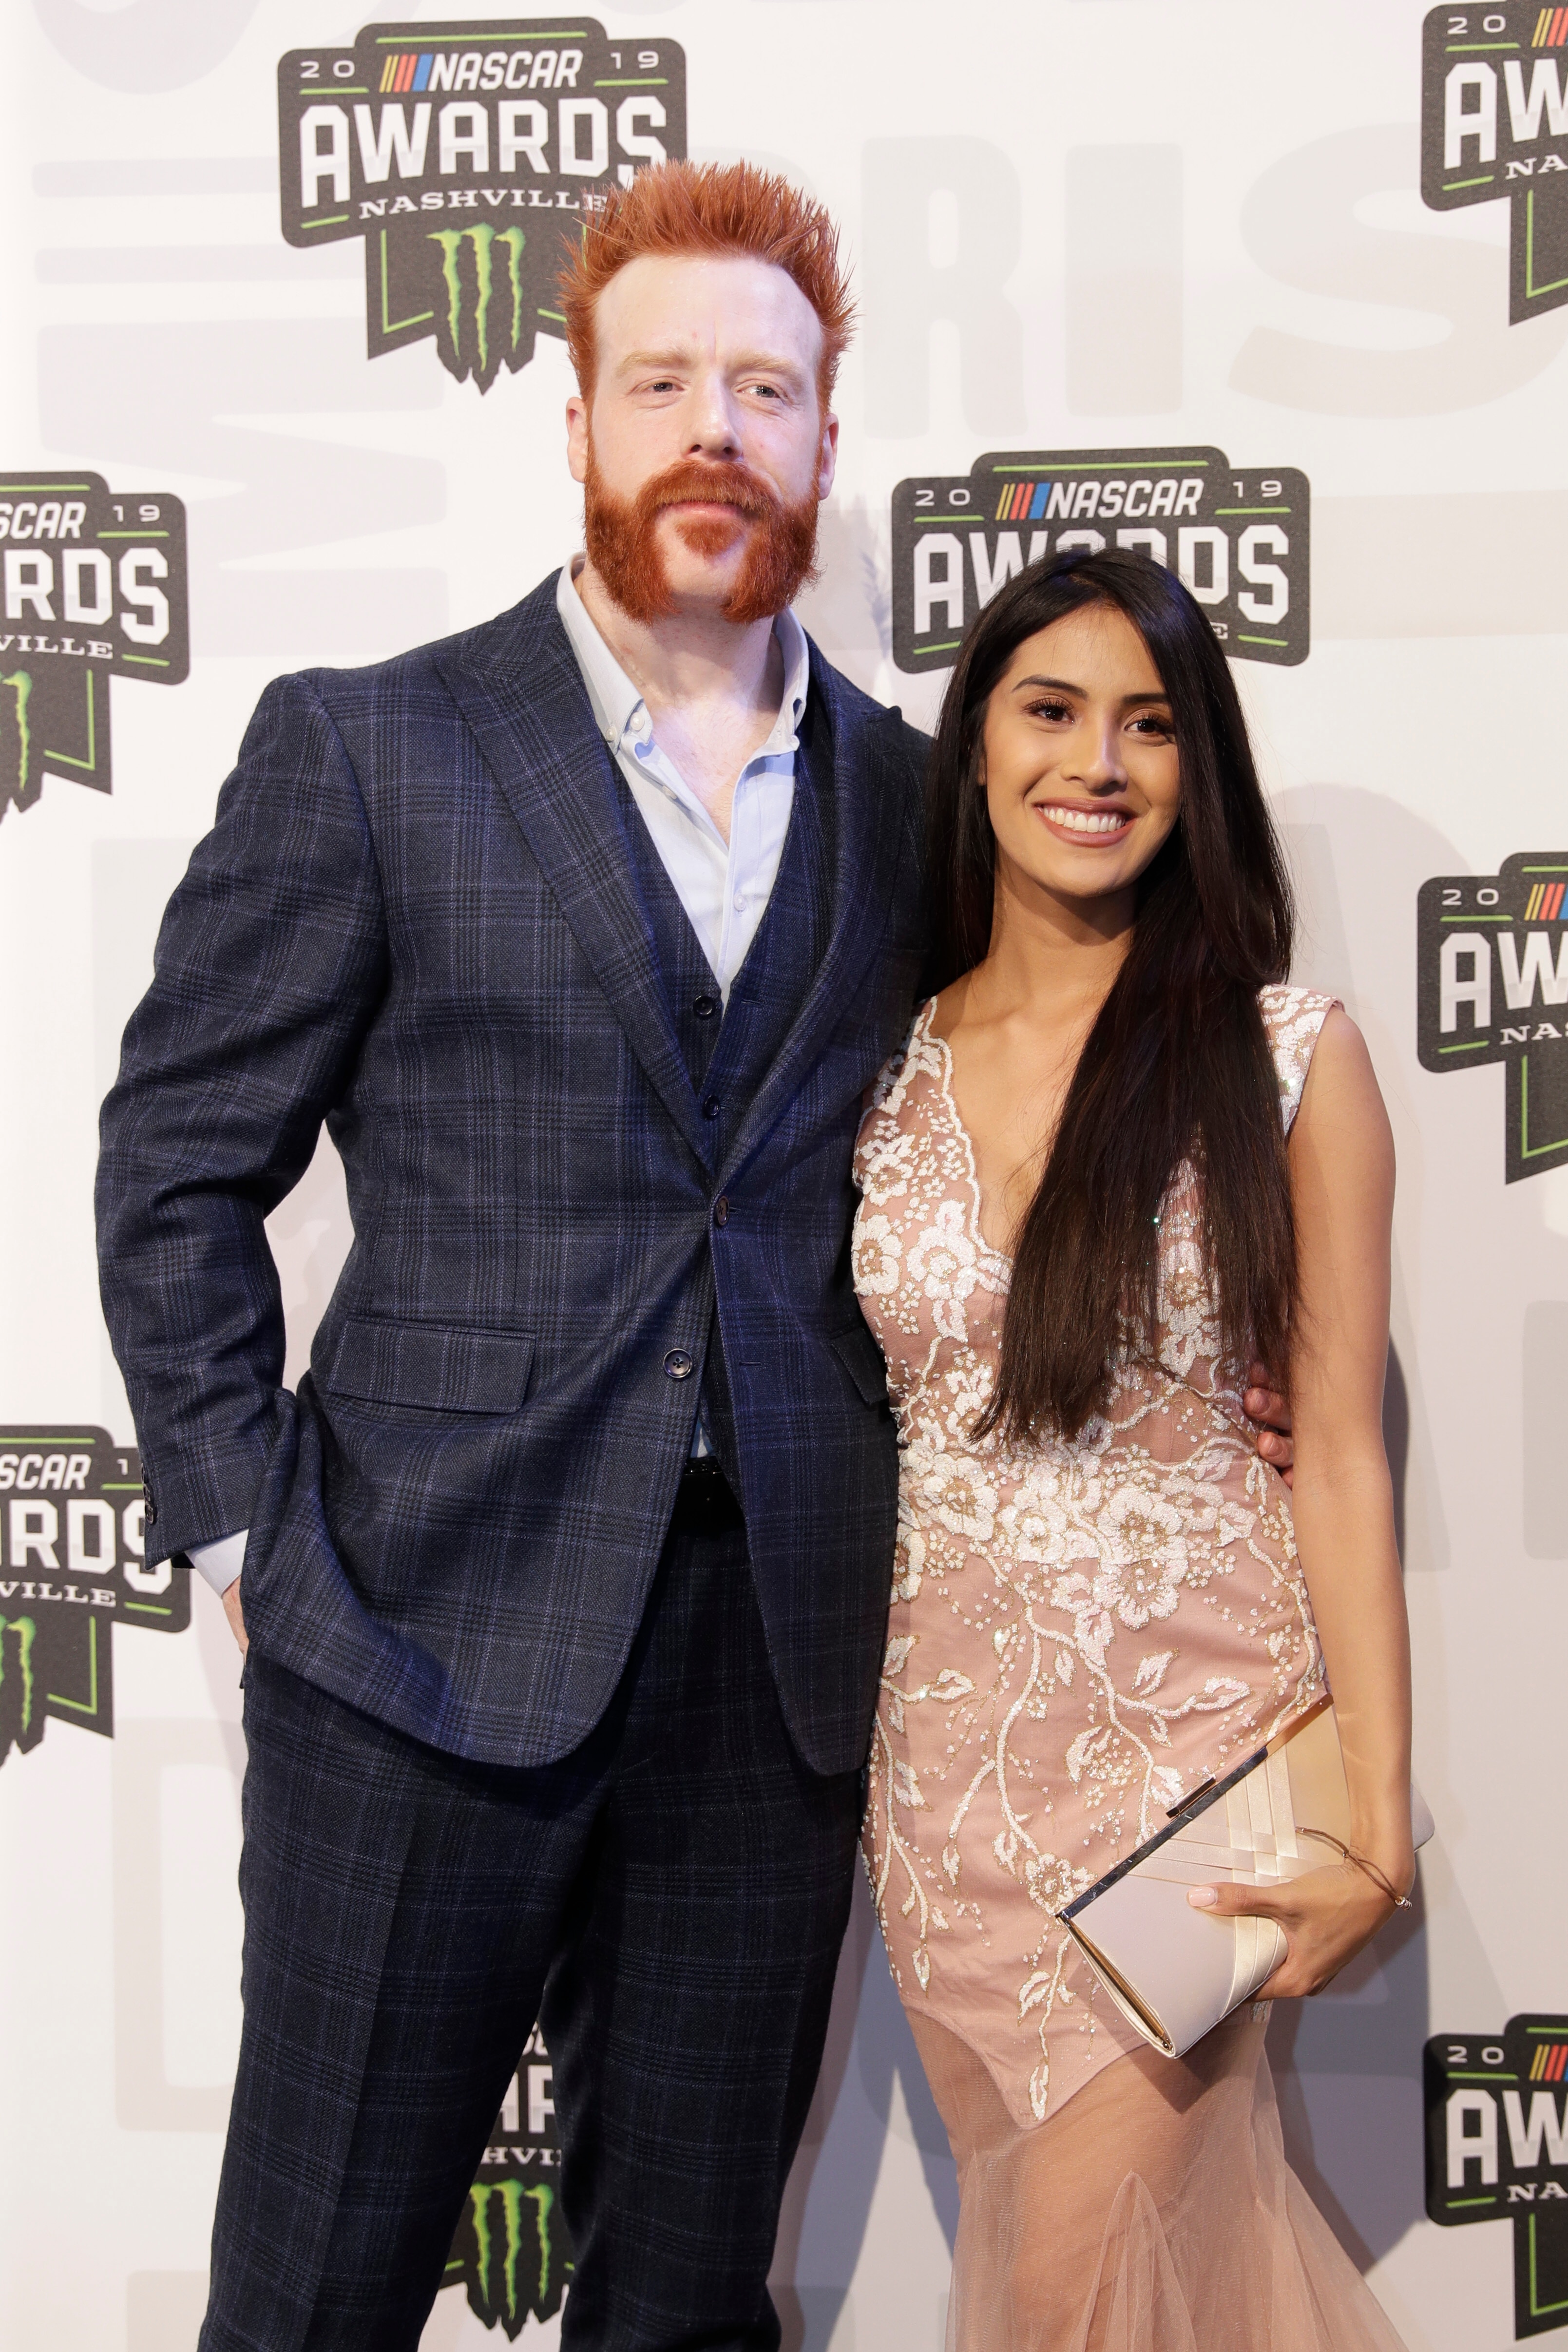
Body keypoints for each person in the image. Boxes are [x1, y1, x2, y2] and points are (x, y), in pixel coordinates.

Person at [96, 163, 1294, 2350]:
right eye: (662, 383)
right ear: (578, 421)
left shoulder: (922, 803)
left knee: (681, 2308)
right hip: (412, 1649)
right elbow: (175, 1164)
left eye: (765, 387)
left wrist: (1213, 1363)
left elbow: (1061, 1094)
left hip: (781, 1673)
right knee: (310, 2295)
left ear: (827, 437)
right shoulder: (371, 746)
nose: (714, 430)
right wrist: (249, 1528)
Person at [852, 548, 1414, 2351]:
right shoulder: (874, 1065)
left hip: (1186, 1789)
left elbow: (1338, 1452)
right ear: (977, 741)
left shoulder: (1283, 1058)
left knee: (1067, 2307)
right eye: (1051, 710)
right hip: (937, 1804)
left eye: (1150, 724)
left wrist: (1374, 1823)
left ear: (1199, 768)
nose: (1095, 764)